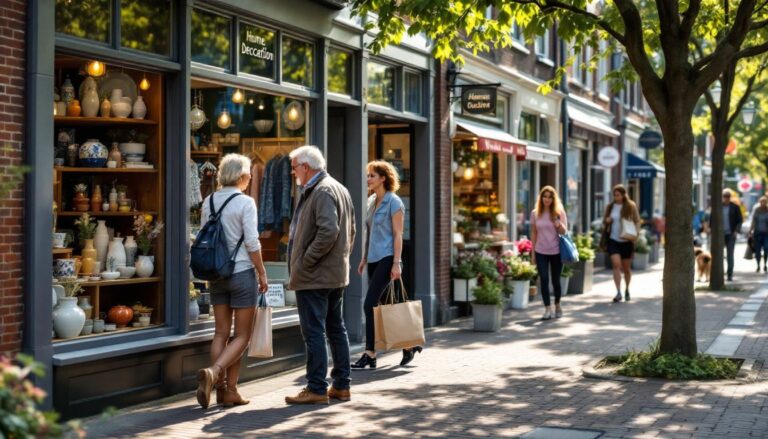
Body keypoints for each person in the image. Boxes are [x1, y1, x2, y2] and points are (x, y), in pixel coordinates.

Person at [195, 154, 269, 409]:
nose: (250, 179)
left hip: (217, 274)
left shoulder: (209, 201)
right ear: (241, 176)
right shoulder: (245, 202)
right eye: (248, 175)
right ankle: (215, 373)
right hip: (241, 273)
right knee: (242, 336)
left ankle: (226, 393)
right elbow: (252, 242)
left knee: (221, 333)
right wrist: (262, 272)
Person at [285, 145, 355, 405]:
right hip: (332, 274)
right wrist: (340, 259)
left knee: (314, 332)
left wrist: (306, 261)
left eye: (294, 168)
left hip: (315, 276)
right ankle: (341, 386)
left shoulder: (322, 190)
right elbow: (351, 231)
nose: (293, 173)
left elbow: (329, 231)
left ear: (306, 167)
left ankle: (316, 388)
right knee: (336, 329)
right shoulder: (338, 188)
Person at [352, 160, 421, 370]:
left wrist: (396, 263)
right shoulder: (371, 201)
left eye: (372, 175)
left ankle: (370, 354)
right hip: (373, 259)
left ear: (383, 178)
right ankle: (409, 344)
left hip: (388, 257)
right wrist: (364, 258)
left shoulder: (394, 202)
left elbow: (398, 234)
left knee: (369, 304)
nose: (368, 179)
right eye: (367, 175)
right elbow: (369, 232)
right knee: (385, 306)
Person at [530, 186, 568, 320]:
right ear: (541, 198)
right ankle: (547, 308)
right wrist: (533, 253)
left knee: (556, 280)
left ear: (553, 199)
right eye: (544, 196)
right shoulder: (535, 213)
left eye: (550, 197)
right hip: (540, 251)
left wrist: (557, 223)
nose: (547, 199)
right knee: (544, 279)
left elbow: (565, 232)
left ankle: (557, 304)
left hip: (556, 251)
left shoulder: (559, 212)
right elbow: (534, 233)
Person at [602, 184, 641, 302]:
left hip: (627, 241)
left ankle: (627, 289)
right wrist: (607, 220)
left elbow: (637, 221)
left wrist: (636, 234)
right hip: (613, 240)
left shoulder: (630, 205)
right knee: (616, 265)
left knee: (626, 269)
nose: (616, 197)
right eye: (614, 195)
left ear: (624, 195)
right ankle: (618, 292)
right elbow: (604, 221)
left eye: (618, 195)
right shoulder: (610, 207)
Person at [722, 189, 743, 281]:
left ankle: (729, 274)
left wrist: (736, 231)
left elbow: (740, 220)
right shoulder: (718, 207)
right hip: (720, 235)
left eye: (728, 196)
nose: (726, 198)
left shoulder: (735, 207)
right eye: (725, 196)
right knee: (718, 255)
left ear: (730, 197)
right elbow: (712, 219)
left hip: (731, 234)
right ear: (722, 197)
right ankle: (719, 274)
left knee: (730, 255)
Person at [749, 196, 768, 272]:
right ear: (760, 202)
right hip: (757, 233)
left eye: (765, 202)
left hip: (766, 234)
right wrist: (750, 230)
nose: (763, 203)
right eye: (762, 202)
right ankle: (758, 265)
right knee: (757, 250)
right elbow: (753, 221)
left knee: (766, 249)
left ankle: (765, 264)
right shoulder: (756, 210)